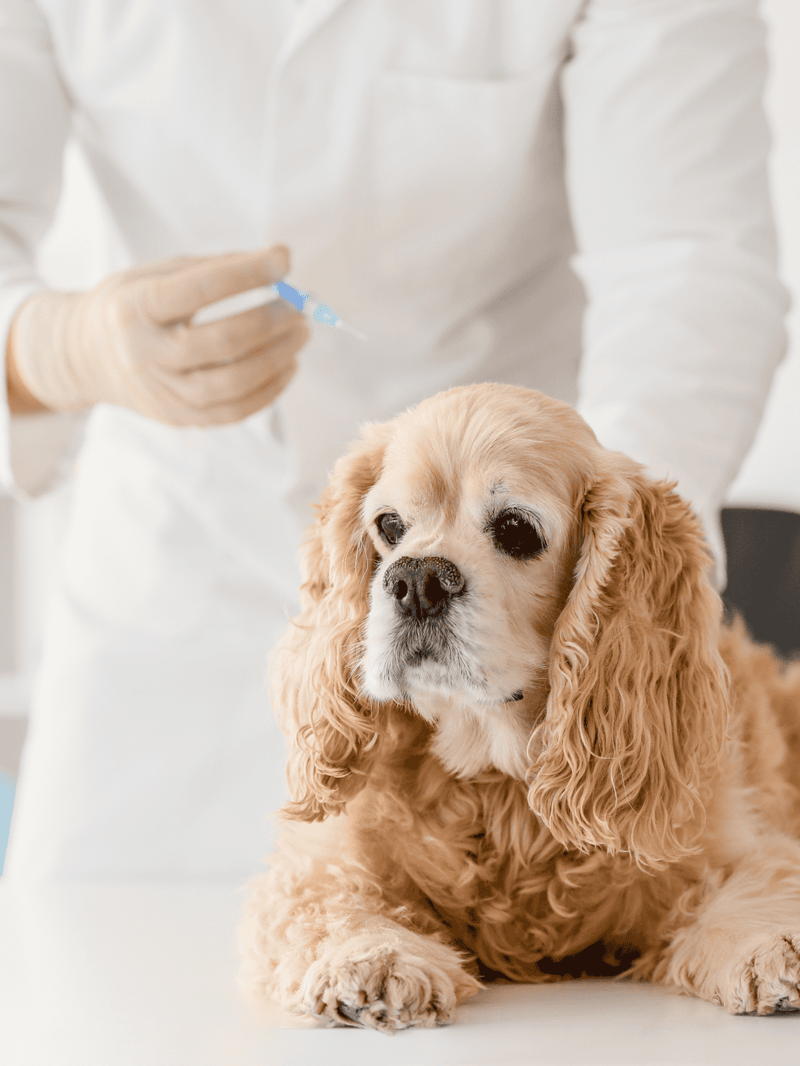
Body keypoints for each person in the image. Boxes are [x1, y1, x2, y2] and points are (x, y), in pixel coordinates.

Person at [1, 0, 788, 880]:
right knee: (101, 983)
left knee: (578, 1000)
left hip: (517, 657)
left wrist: (620, 577)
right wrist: (51, 348)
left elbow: (687, 261)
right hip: (167, 608)